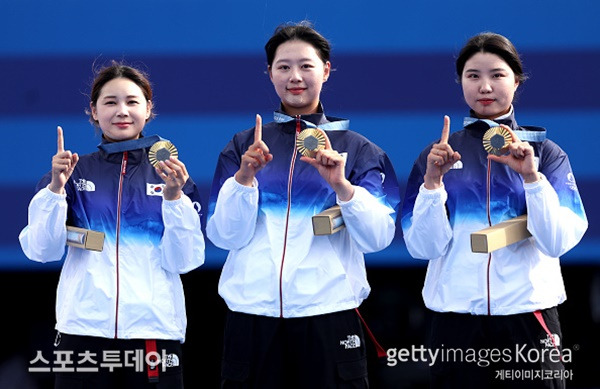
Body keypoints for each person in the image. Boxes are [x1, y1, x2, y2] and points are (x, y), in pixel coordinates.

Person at [206, 21, 400, 388]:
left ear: (326, 70)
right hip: (252, 317)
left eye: (306, 66)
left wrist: (343, 187)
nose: (295, 76)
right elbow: (224, 236)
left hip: (328, 316)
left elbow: (378, 238)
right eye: (283, 67)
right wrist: (244, 178)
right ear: (269, 73)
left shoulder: (358, 149)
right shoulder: (243, 146)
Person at [401, 32, 588, 388]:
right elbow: (423, 248)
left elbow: (557, 242)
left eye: (497, 75)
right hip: (456, 321)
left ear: (516, 81)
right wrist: (432, 184)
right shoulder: (437, 154)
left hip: (528, 317)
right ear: (461, 83)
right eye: (473, 76)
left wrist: (532, 178)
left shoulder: (547, 154)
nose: (485, 86)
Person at [19, 61, 205, 388]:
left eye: (132, 102)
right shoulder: (71, 173)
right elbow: (41, 251)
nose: (122, 111)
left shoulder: (173, 177)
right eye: (110, 102)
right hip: (83, 332)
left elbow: (185, 261)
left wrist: (175, 199)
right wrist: (55, 189)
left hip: (152, 333)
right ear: (93, 111)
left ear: (148, 110)